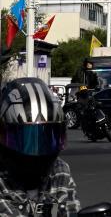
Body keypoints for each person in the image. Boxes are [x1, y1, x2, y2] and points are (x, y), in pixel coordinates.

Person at [0, 78, 80, 216]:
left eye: (46, 138)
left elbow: (70, 209)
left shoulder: (59, 171)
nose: (37, 151)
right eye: (27, 139)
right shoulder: (2, 181)